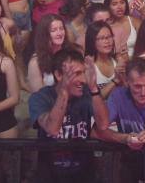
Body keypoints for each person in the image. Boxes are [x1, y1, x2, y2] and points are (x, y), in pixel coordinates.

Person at [28, 50, 110, 182]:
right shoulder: (40, 98)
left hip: (84, 175)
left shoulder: (87, 94)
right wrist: (64, 92)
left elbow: (104, 124)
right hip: (50, 176)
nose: (83, 80)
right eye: (76, 74)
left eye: (83, 73)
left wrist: (94, 89)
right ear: (58, 75)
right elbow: (52, 129)